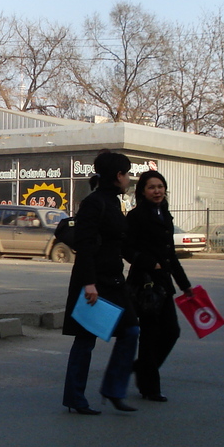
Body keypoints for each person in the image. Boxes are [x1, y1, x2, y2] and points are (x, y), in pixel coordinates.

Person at [61, 150, 141, 414]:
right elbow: (84, 246)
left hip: (115, 281)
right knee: (85, 340)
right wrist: (89, 284)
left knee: (130, 331)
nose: (129, 178)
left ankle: (113, 389)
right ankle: (75, 397)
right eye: (127, 173)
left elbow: (120, 242)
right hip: (95, 282)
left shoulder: (113, 202)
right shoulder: (94, 203)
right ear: (118, 176)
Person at [124, 169, 193, 402]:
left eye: (160, 187)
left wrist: (185, 286)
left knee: (172, 332)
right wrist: (149, 263)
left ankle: (143, 367)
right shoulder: (135, 217)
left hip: (164, 283)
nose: (157, 191)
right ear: (143, 191)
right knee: (151, 334)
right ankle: (149, 387)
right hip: (145, 284)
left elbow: (170, 255)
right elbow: (126, 249)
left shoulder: (165, 213)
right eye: (152, 187)